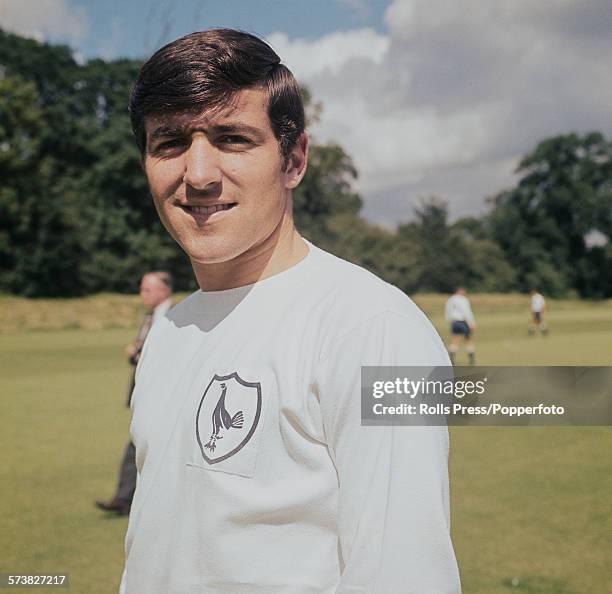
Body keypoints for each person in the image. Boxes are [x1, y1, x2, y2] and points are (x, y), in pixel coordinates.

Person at [120, 29, 460, 593]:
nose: (198, 174)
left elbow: (406, 576)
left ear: (294, 159)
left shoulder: (375, 329)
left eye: (232, 138)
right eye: (170, 143)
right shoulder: (170, 328)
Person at [95, 271, 173, 516]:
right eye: (142, 289)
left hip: (165, 396)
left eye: (148, 289)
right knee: (140, 443)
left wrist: (137, 354)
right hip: (147, 392)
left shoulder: (174, 317)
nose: (143, 294)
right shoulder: (151, 316)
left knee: (143, 445)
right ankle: (126, 498)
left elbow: (166, 358)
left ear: (164, 291)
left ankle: (126, 498)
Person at [445, 287, 476, 365]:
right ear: (459, 291)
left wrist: (449, 320)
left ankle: (451, 360)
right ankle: (471, 360)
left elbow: (448, 311)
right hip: (463, 322)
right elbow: (466, 312)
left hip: (454, 322)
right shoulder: (463, 299)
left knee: (455, 340)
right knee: (468, 340)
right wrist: (471, 323)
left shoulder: (450, 299)